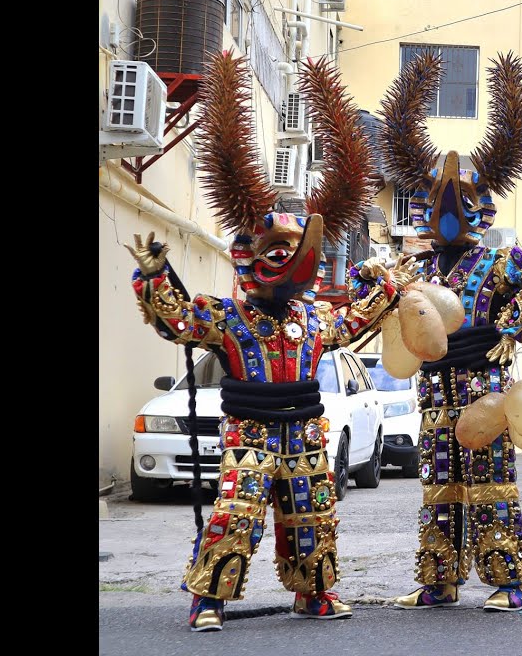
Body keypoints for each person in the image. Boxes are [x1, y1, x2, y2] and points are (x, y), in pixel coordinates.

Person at [126, 53, 412, 631]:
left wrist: (387, 282)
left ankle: (316, 593)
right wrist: (155, 275)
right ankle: (209, 599)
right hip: (251, 431)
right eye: (279, 256)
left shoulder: (312, 319)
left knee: (313, 515)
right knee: (234, 514)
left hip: (306, 431)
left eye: (297, 256)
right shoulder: (229, 318)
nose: (292, 268)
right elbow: (176, 321)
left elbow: (354, 320)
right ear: (249, 261)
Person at [377, 51, 522, 613]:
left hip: (485, 392)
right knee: (438, 492)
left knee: (490, 489)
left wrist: (510, 325)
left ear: (482, 208)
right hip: (434, 395)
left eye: (462, 201)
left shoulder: (500, 260)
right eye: (437, 203)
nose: (449, 214)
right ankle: (439, 581)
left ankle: (511, 582)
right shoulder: (417, 267)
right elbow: (385, 311)